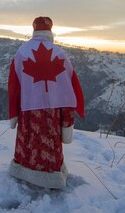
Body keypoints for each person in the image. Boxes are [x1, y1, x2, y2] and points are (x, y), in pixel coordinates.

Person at [7, 16, 85, 189]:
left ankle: (25, 169)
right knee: (50, 143)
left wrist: (13, 114)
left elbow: (14, 85)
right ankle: (51, 175)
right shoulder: (60, 53)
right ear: (50, 32)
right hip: (52, 112)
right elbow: (71, 85)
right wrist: (68, 120)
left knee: (28, 140)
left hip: (29, 110)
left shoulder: (22, 52)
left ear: (34, 31)